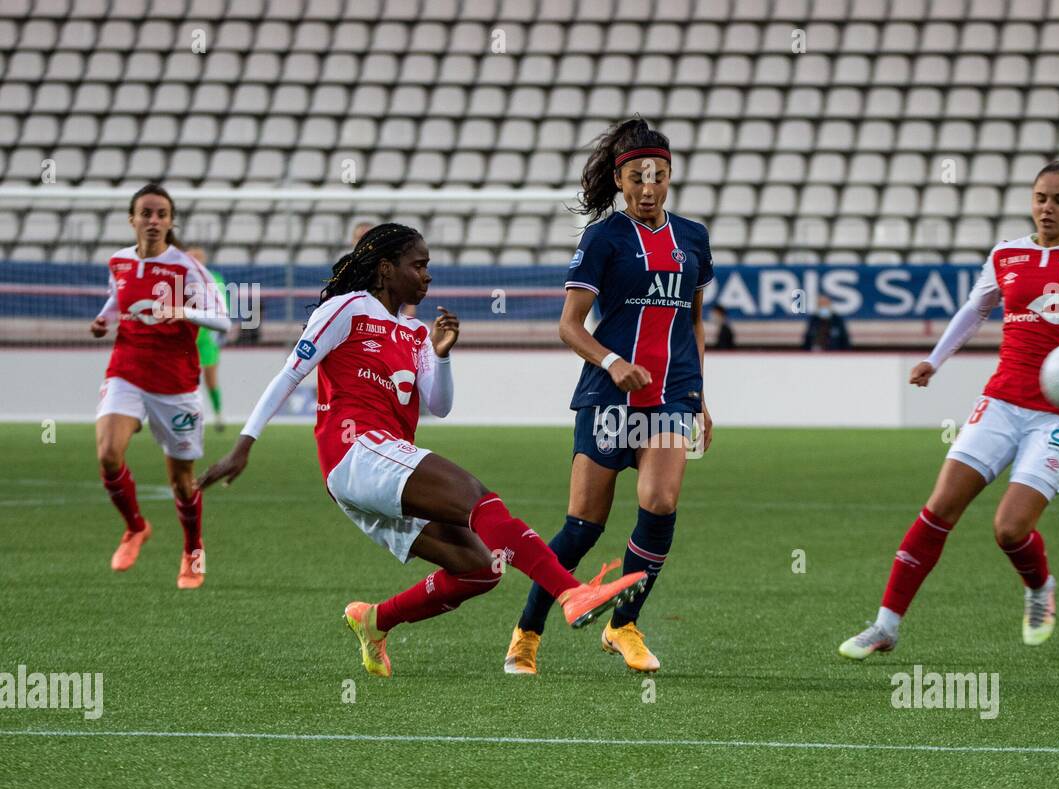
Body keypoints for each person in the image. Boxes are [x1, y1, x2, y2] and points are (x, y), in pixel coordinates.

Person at [198, 223, 647, 678]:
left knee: (481, 567)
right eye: (419, 265)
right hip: (355, 453)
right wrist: (243, 444)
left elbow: (439, 405)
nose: (427, 275)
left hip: (381, 464)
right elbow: (289, 374)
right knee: (480, 500)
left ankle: (375, 620)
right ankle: (571, 593)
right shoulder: (347, 308)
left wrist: (442, 354)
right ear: (386, 269)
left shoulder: (414, 333)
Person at [837, 154, 1059, 658]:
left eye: (1058, 200)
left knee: (1010, 530)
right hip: (1001, 401)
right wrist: (934, 360)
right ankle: (886, 625)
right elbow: (974, 309)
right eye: (1039, 199)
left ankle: (1039, 588)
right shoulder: (1007, 255)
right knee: (939, 508)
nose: (1046, 209)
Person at [504, 116, 714, 676]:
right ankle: (527, 631)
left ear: (671, 178)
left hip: (668, 398)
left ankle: (624, 624)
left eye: (660, 176)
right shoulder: (603, 238)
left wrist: (698, 395)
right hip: (607, 397)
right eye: (638, 177)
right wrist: (615, 363)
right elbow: (570, 325)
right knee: (583, 527)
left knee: (661, 503)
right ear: (620, 181)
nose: (649, 188)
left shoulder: (694, 238)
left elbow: (693, 322)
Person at [90, 183, 230, 588]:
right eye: (146, 213)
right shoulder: (117, 261)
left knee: (182, 482)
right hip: (127, 370)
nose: (153, 221)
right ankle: (135, 527)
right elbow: (117, 299)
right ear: (132, 219)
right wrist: (103, 320)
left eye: (162, 214)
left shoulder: (187, 267)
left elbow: (224, 320)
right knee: (108, 454)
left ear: (170, 222)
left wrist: (182, 310)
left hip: (176, 383)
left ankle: (192, 549)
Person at [185, 245, 228, 431]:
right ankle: (189, 415)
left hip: (207, 337)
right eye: (191, 256)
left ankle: (218, 414)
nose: (195, 259)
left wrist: (219, 331)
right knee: (186, 379)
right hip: (186, 337)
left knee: (211, 378)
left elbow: (222, 306)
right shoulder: (180, 279)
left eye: (198, 256)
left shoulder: (214, 279)